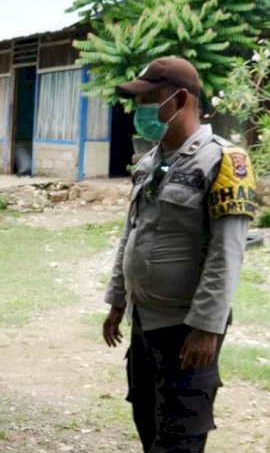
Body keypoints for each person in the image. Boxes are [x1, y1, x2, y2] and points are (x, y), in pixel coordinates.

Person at [102, 57, 257, 452]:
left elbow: (227, 253)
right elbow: (131, 233)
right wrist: (118, 301)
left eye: (150, 100)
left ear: (181, 98)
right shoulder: (149, 163)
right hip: (144, 322)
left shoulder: (223, 161)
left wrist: (207, 327)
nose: (141, 112)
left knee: (180, 437)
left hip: (186, 329)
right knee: (147, 422)